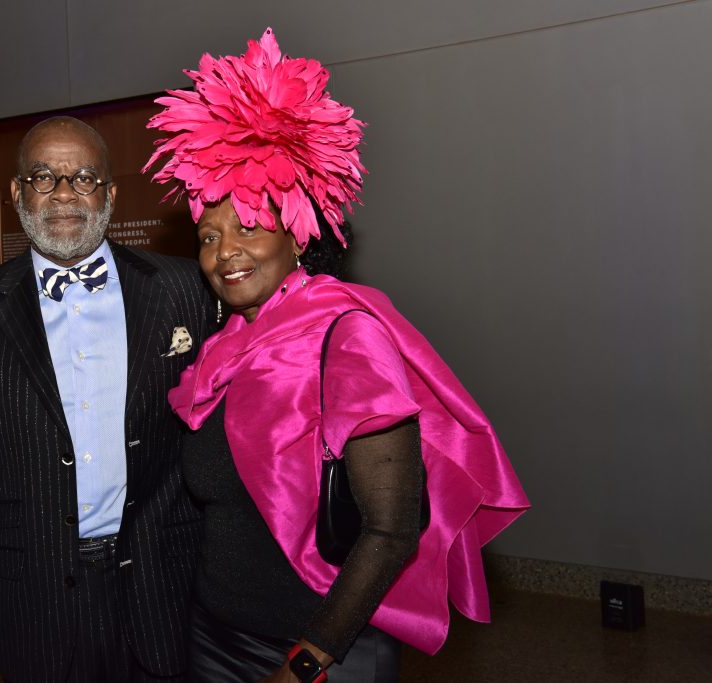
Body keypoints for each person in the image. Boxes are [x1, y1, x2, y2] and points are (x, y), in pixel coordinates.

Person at [144, 29, 530, 682]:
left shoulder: (348, 335)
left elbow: (390, 530)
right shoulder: (220, 352)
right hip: (215, 634)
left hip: (320, 648)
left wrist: (308, 660)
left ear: (300, 234)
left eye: (248, 224)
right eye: (209, 235)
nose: (224, 251)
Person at [0, 116, 216, 682]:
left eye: (83, 178)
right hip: (36, 599)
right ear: (16, 193)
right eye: (43, 177)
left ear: (109, 193)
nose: (63, 193)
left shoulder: (182, 289)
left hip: (164, 587)